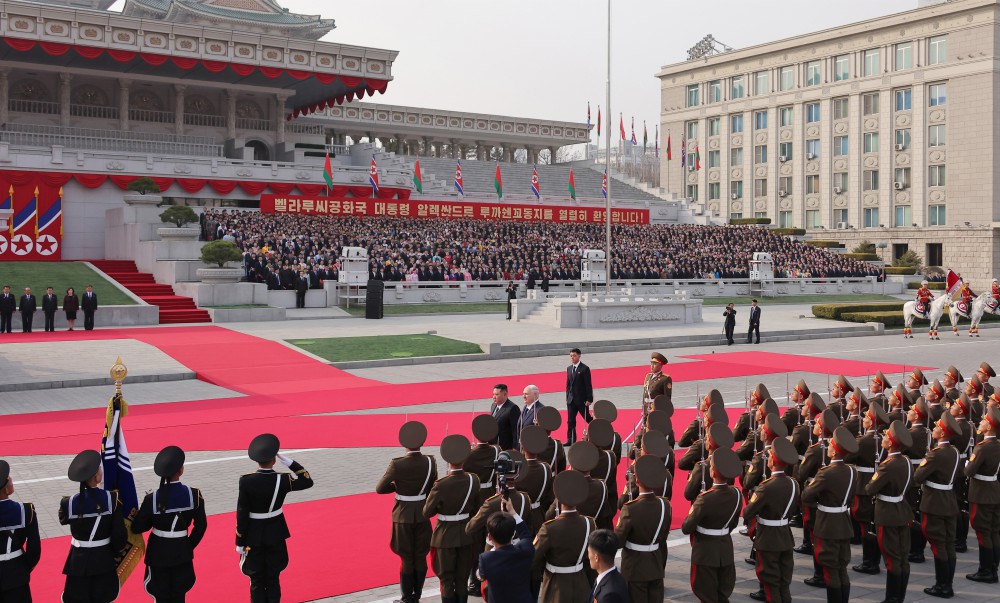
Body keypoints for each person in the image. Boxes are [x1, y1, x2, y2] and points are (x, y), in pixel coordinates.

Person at [236, 433, 314, 603]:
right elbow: (307, 481)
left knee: (256, 580)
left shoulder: (246, 481)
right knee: (273, 578)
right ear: (274, 460)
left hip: (253, 536)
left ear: (257, 461)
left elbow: (242, 513)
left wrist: (239, 541)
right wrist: (291, 463)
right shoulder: (283, 479)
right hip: (275, 533)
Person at [131, 445, 208, 603]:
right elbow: (201, 526)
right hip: (182, 551)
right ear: (181, 470)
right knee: (179, 594)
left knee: (161, 595)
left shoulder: (151, 498)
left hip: (158, 552)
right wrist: (188, 545)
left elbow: (138, 527)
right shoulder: (194, 494)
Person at [375, 421, 437, 603]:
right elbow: (432, 485)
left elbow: (380, 488)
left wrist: (396, 487)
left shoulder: (397, 464)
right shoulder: (430, 461)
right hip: (423, 513)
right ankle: (417, 595)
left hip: (403, 515)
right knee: (420, 555)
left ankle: (406, 598)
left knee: (406, 557)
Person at [59, 449, 127, 603]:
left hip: (77, 563)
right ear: (96, 477)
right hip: (103, 560)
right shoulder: (112, 499)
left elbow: (63, 520)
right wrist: (116, 553)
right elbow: (119, 534)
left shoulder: (68, 502)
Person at [801, 426, 860, 603]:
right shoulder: (851, 471)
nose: (829, 448)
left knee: (830, 570)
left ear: (834, 451)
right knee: (842, 568)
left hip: (828, 525)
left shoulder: (826, 473)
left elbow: (806, 496)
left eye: (831, 446)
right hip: (843, 522)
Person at [424, 434, 481, 603]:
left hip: (445, 536)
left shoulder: (441, 484)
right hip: (465, 533)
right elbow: (476, 508)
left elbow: (427, 512)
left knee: (447, 580)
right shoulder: (473, 479)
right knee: (462, 579)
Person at [743, 437, 801, 603]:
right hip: (785, 535)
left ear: (773, 461)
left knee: (770, 583)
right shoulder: (793, 483)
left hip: (768, 538)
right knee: (784, 582)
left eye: (769, 456)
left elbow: (747, 512)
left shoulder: (767, 486)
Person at [682, 448, 744, 603]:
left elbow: (686, 527)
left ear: (714, 472)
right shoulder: (737, 494)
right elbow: (733, 523)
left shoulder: (704, 499)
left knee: (706, 593)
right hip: (725, 547)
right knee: (722, 593)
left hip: (705, 552)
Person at [865, 420, 915, 603]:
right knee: (902, 557)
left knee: (892, 558)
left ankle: (892, 598)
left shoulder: (889, 465)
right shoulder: (906, 461)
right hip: (902, 510)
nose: (884, 438)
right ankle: (899, 596)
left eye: (886, 436)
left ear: (891, 443)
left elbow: (870, 488)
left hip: (887, 514)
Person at [915, 412, 963, 598]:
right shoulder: (954, 451)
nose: (933, 430)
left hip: (934, 503)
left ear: (942, 434)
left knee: (938, 546)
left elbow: (919, 477)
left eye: (936, 428)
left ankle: (942, 585)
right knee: (948, 544)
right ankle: (947, 584)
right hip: (949, 501)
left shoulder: (935, 455)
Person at [532, 470, 597, 603]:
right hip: (581, 583)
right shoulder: (589, 523)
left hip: (556, 586)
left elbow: (533, 557)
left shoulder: (549, 528)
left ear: (558, 498)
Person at [615, 455, 671, 603]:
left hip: (635, 568)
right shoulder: (665, 505)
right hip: (655, 564)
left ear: (637, 481)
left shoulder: (630, 508)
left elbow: (618, 541)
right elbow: (663, 535)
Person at [465, 416, 502, 598]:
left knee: (476, 543)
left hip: (474, 498)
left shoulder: (469, 455)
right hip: (491, 496)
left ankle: (474, 581)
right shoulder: (497, 450)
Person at [964, 406, 1000, 584]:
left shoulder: (983, 447)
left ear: (989, 428)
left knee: (983, 533)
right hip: (994, 491)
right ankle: (993, 569)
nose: (980, 422)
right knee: (993, 533)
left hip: (981, 494)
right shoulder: (997, 444)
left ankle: (985, 570)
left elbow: (969, 471)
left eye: (984, 421)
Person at [475, 497, 534, 603]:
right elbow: (526, 536)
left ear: (490, 537)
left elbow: (481, 576)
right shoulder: (525, 551)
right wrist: (512, 512)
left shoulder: (486, 559)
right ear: (512, 534)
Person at [0, 460, 41, 602]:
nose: (12, 480)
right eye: (9, 479)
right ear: (5, 489)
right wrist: (23, 569)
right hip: (16, 575)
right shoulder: (25, 510)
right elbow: (34, 549)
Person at [588, 530, 629, 603]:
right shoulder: (615, 577)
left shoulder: (609, 595)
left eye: (589, 553)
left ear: (596, 557)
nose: (588, 557)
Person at [565, 348, 593, 446]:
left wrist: (589, 399)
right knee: (570, 420)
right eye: (571, 356)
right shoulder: (569, 368)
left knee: (588, 418)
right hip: (571, 400)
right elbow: (568, 385)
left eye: (574, 356)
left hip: (581, 400)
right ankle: (571, 439)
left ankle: (597, 431)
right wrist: (567, 397)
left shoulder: (584, 369)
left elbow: (588, 385)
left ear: (579, 356)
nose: (572, 357)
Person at [489, 384, 521, 452]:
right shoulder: (493, 405)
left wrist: (515, 447)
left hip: (505, 448)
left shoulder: (512, 408)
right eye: (493, 394)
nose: (494, 397)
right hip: (493, 446)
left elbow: (515, 430)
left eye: (496, 394)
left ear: (505, 394)